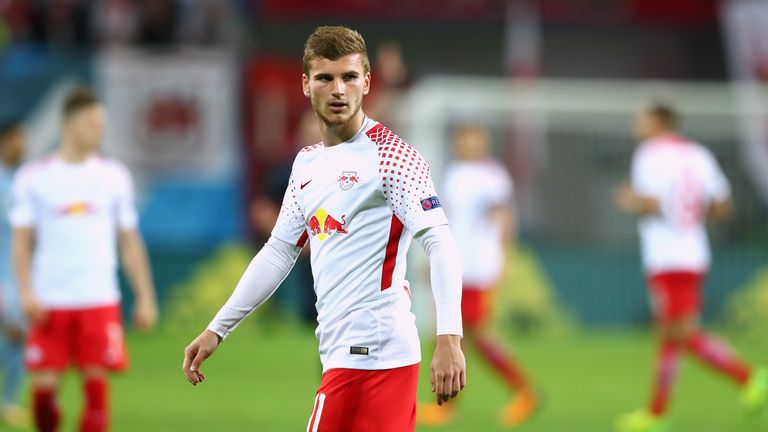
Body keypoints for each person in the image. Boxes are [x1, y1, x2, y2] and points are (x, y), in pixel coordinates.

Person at [182, 26, 466, 432]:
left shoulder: (393, 159)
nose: (338, 90)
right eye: (325, 78)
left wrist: (449, 337)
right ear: (305, 84)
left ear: (367, 82)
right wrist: (217, 329)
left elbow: (439, 241)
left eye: (349, 77)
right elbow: (280, 250)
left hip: (370, 352)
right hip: (346, 351)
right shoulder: (307, 163)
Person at [11, 87, 158, 432]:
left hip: (98, 298)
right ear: (69, 125)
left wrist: (145, 297)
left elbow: (130, 242)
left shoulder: (113, 176)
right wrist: (27, 292)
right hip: (50, 299)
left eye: (101, 123)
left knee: (96, 395)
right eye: (92, 123)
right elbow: (21, 243)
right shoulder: (34, 177)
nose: (99, 130)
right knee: (44, 397)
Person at [615, 104, 768, 432]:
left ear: (658, 122)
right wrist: (692, 221)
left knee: (683, 335)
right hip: (695, 252)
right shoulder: (700, 154)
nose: (636, 124)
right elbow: (724, 207)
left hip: (666, 256)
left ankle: (750, 377)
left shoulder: (649, 153)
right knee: (671, 335)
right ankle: (656, 413)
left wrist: (628, 199)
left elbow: (651, 203)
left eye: (641, 118)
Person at [418, 124, 538, 427]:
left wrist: (505, 256)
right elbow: (449, 221)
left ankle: (524, 391)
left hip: (478, 266)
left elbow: (504, 216)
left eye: (473, 137)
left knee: (466, 333)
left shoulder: (492, 176)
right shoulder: (455, 173)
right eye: (462, 138)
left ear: (482, 140)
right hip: (457, 263)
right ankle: (447, 402)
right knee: (456, 333)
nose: (467, 143)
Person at [0, 121, 27, 428]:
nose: (24, 143)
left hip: (14, 277)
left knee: (17, 337)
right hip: (3, 279)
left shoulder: (19, 181)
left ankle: (8, 403)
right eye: (19, 136)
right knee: (14, 334)